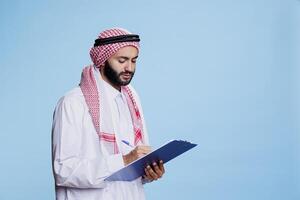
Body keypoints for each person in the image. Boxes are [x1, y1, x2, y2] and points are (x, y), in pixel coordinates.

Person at [51, 28, 165, 200]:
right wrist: (123, 160)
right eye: (122, 60)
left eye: (134, 61)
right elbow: (63, 171)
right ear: (103, 60)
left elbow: (137, 160)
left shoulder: (132, 99)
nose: (129, 68)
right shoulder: (73, 102)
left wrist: (148, 172)